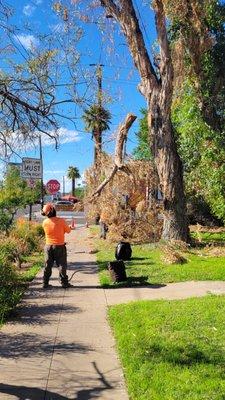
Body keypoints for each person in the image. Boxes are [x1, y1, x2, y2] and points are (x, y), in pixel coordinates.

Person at [41, 203, 74, 289]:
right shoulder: (61, 221)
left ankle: (45, 282)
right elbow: (68, 231)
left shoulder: (44, 222)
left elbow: (52, 231)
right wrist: (69, 227)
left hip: (48, 246)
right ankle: (64, 283)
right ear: (53, 210)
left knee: (48, 265)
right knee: (62, 265)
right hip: (59, 246)